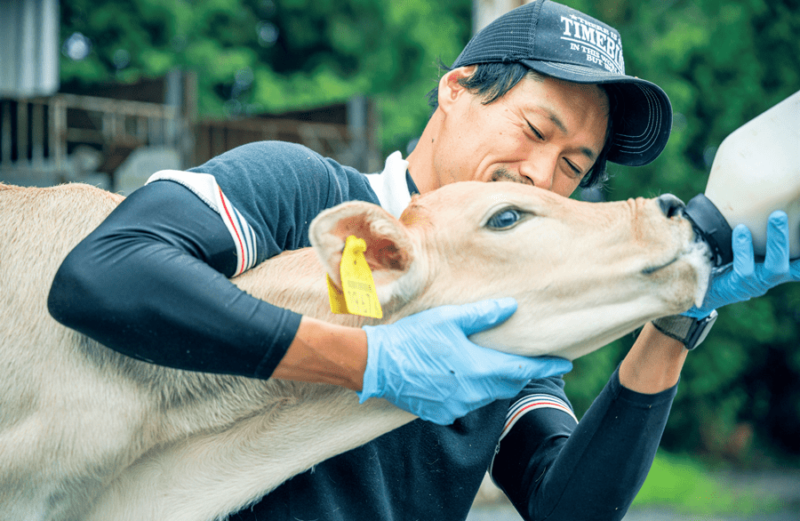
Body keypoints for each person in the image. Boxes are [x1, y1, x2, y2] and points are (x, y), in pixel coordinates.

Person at [47, 1, 800, 520]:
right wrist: (366, 358)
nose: (543, 173)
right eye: (535, 128)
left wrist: (674, 317)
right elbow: (105, 272)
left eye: (575, 165)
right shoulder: (304, 192)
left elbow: (566, 504)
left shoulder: (510, 329)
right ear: (457, 88)